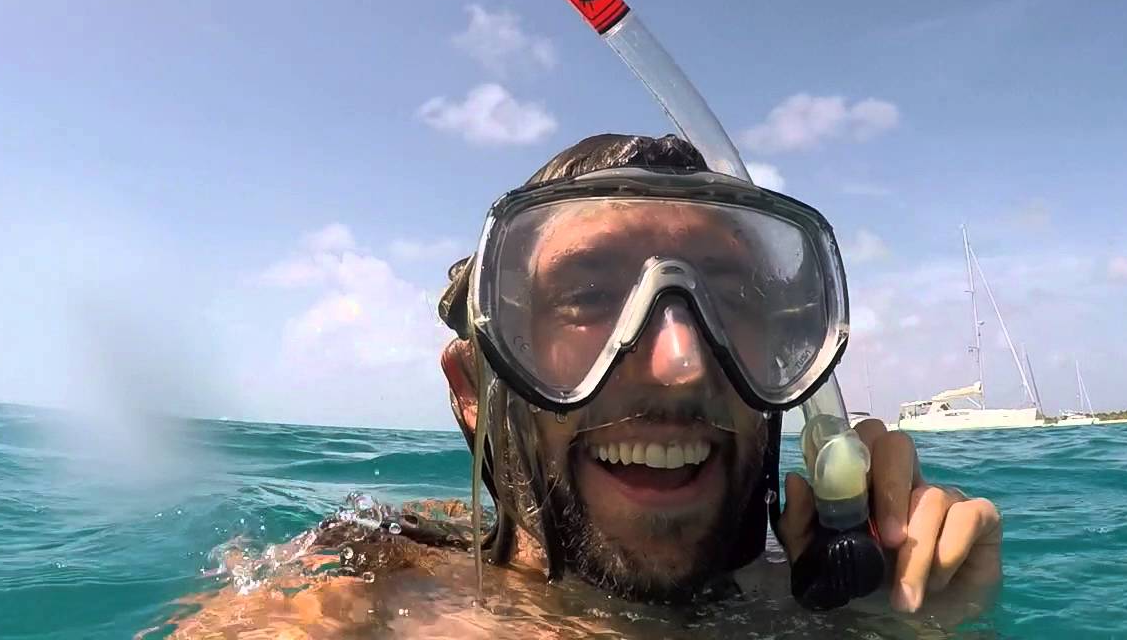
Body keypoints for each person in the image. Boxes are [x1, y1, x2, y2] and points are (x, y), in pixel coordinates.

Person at [163, 134, 1001, 639]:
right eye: (590, 297)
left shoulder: (824, 595)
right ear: (473, 391)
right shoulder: (361, 594)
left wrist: (913, 614)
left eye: (731, 300)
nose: (682, 360)